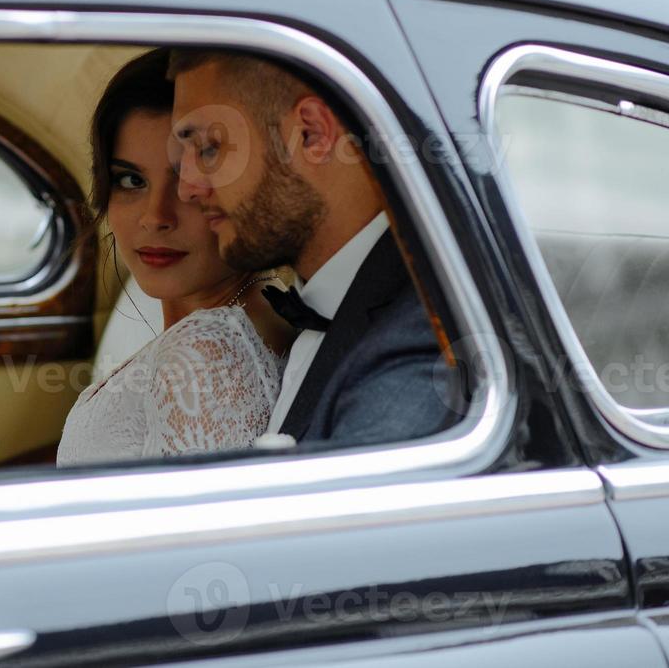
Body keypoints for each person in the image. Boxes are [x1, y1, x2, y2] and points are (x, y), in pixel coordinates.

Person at [168, 48, 458, 447]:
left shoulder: (418, 344)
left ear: (311, 133)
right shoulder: (331, 310)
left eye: (208, 148)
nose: (186, 188)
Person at [57, 50, 295, 468]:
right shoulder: (247, 315)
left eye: (189, 179)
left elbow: (201, 531)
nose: (156, 217)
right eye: (131, 180)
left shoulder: (203, 356)